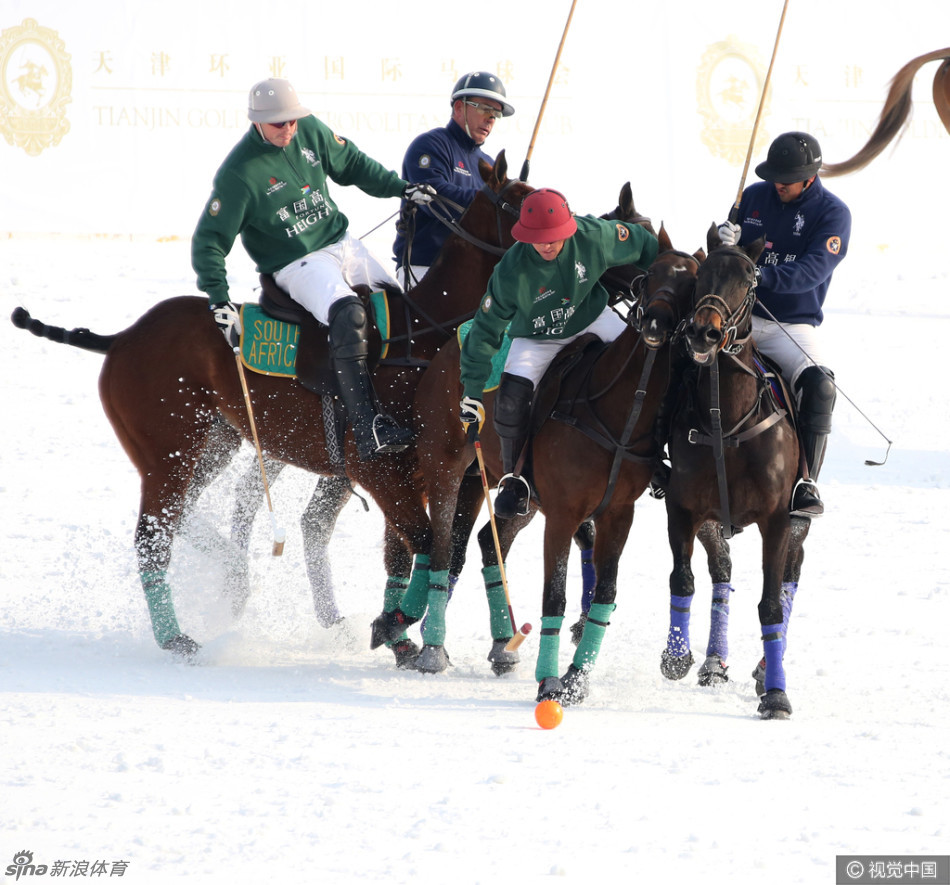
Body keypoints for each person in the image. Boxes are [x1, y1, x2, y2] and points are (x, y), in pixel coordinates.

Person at [192, 77, 436, 461]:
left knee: (398, 307)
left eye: (292, 120)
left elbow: (352, 164)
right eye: (278, 124)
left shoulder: (308, 130)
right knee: (349, 314)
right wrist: (217, 298)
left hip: (342, 243)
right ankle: (367, 425)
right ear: (256, 121)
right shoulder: (238, 174)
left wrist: (400, 188)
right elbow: (209, 241)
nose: (288, 129)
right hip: (295, 264)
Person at [459, 188, 659, 519]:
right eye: (539, 239)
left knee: (646, 363)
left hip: (592, 317)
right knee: (510, 397)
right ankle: (514, 479)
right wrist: (472, 391)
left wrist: (663, 275)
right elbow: (485, 329)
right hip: (536, 336)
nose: (548, 244)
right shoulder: (510, 272)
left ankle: (660, 456)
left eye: (554, 237)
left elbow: (644, 243)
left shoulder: (594, 234)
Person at [717, 131, 850, 518]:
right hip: (738, 315)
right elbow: (725, 263)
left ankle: (805, 481)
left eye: (786, 182)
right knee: (681, 353)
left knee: (821, 386)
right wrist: (724, 243)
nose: (778, 186)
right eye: (774, 178)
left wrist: (759, 276)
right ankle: (660, 460)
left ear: (809, 178)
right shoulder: (754, 196)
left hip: (790, 324)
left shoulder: (833, 212)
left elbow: (813, 271)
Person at [392, 71, 514, 287]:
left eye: (496, 114)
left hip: (473, 273)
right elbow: (434, 200)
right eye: (486, 108)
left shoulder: (487, 162)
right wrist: (492, 200)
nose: (491, 118)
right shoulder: (431, 145)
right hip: (426, 268)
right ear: (459, 107)